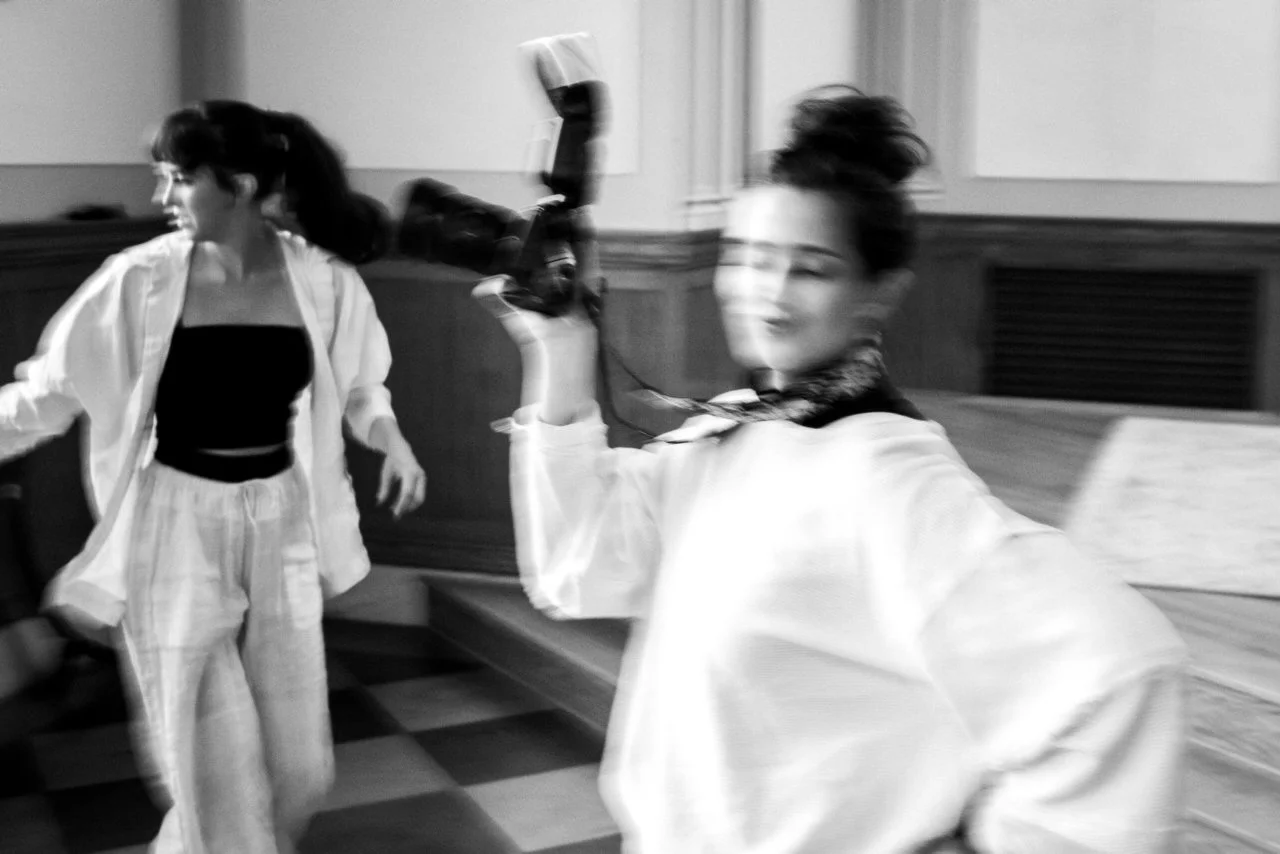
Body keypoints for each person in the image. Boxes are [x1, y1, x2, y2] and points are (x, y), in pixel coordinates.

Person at [477, 86, 1189, 853]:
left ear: (878, 293)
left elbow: (1118, 674)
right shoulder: (736, 429)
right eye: (745, 258)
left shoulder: (885, 477)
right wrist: (560, 351)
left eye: (810, 269)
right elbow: (577, 566)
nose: (767, 294)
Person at [0, 100, 426, 853]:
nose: (163, 197)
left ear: (241, 184)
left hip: (281, 517)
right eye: (164, 177)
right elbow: (46, 393)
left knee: (299, 763)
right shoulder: (136, 280)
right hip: (175, 524)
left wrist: (390, 439)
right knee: (210, 754)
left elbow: (361, 385)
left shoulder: (321, 281)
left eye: (179, 178)